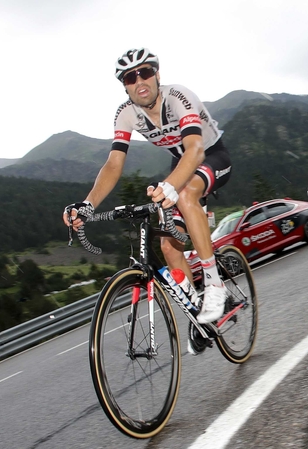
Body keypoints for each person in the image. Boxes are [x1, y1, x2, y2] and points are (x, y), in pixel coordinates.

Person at [63, 48, 232, 326]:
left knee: (186, 194)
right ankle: (199, 317)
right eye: (130, 78)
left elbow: (195, 149)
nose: (139, 81)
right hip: (180, 165)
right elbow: (114, 164)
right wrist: (88, 204)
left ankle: (215, 284)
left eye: (145, 72)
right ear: (125, 86)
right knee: (169, 247)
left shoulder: (178, 96)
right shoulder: (126, 114)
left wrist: (171, 185)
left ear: (157, 75)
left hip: (210, 156)